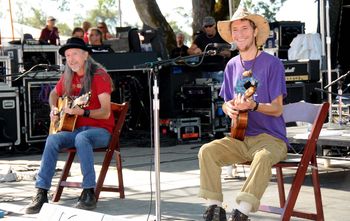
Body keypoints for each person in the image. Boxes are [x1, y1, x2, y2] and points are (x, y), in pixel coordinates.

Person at [198, 8, 288, 221]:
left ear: (255, 31)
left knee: (263, 157)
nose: (239, 34)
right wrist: (227, 108)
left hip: (271, 139)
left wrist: (254, 106)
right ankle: (214, 209)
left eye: (244, 28)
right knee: (207, 151)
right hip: (239, 137)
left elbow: (277, 109)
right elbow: (227, 102)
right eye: (235, 29)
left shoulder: (272, 64)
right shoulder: (231, 65)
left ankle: (242, 212)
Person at [24, 37, 115, 214]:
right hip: (75, 130)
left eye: (74, 54)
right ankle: (41, 192)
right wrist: (53, 108)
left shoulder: (99, 76)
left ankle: (89, 192)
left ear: (86, 55)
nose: (70, 59)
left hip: (101, 131)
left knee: (82, 138)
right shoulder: (69, 76)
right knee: (52, 139)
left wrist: (84, 113)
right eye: (67, 55)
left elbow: (106, 112)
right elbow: (53, 94)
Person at [188, 16, 231, 83]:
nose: (208, 28)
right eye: (206, 26)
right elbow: (189, 50)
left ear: (214, 25)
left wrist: (217, 52)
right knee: (205, 92)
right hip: (204, 71)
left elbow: (228, 53)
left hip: (218, 71)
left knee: (219, 92)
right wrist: (195, 52)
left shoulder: (221, 36)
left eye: (210, 26)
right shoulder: (200, 38)